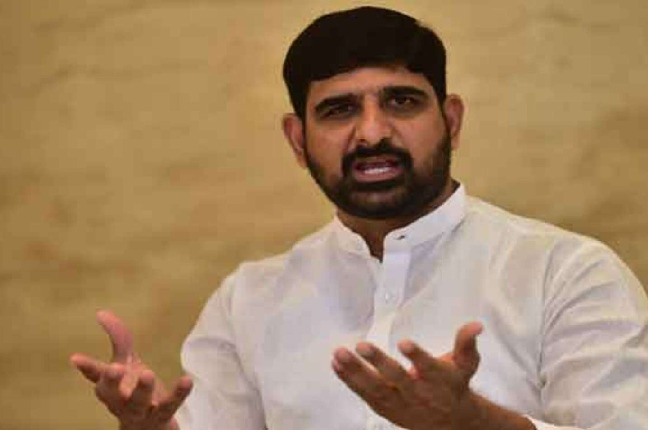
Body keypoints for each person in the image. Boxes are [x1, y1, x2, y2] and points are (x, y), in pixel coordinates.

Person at [71, 6, 648, 429]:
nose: (372, 133)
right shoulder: (247, 300)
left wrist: (474, 423)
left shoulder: (566, 273)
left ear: (451, 121)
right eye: (339, 109)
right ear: (298, 140)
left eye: (402, 101)